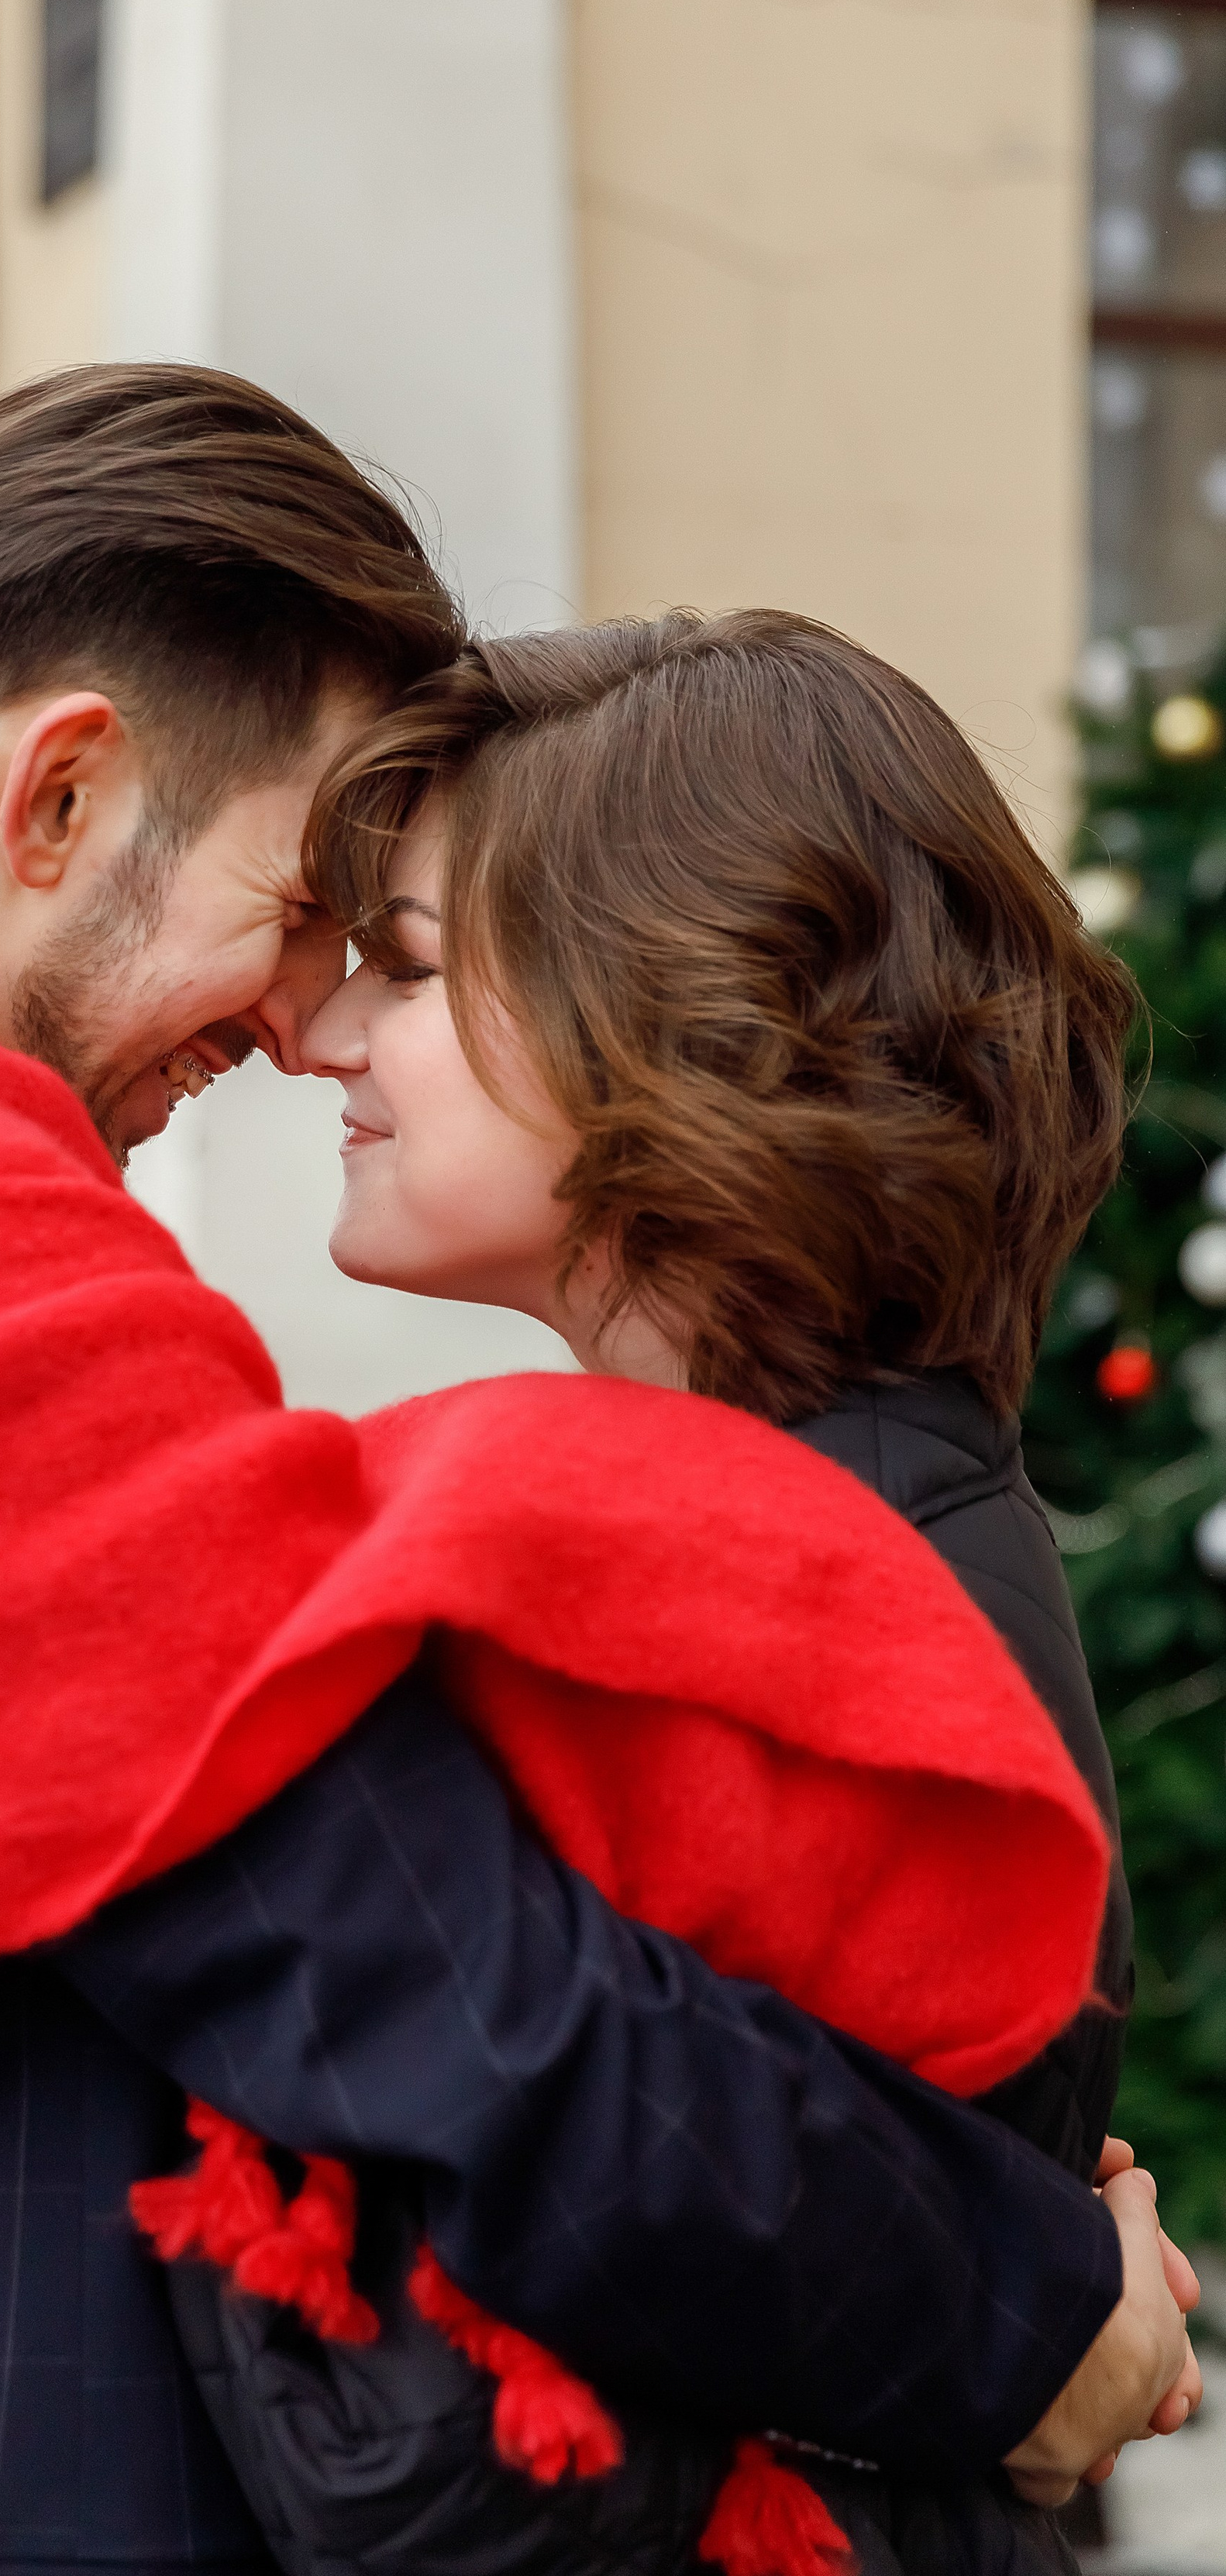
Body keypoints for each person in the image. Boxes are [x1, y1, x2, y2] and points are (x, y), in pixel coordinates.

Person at [0, 370, 1188, 2573]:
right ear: (60, 794)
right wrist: (1039, 2312)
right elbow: (466, 2003)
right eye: (297, 906)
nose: (297, 1021)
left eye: (394, 957)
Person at [134, 611, 1198, 2574]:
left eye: (413, 964)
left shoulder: (772, 1581)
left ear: (689, 1005)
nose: (320, 1032)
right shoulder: (835, 1509)